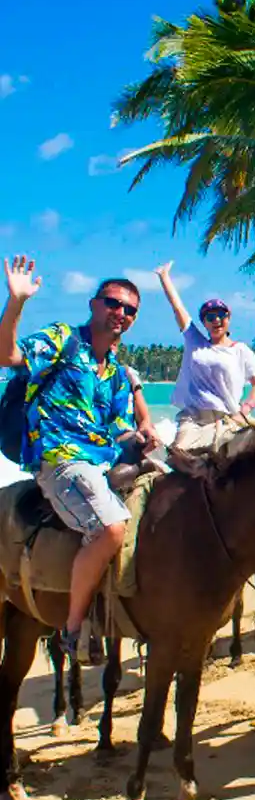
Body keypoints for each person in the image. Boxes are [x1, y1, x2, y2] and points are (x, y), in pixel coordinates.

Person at [0, 257, 158, 655]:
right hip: (61, 457)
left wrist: (141, 435)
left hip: (102, 457)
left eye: (129, 309)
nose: (120, 312)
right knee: (110, 529)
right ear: (93, 304)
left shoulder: (118, 373)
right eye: (112, 303)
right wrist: (15, 302)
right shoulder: (62, 340)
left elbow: (117, 426)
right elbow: (7, 357)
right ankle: (75, 630)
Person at [155, 262, 255, 451]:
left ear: (228, 318)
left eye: (221, 315)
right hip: (194, 419)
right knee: (178, 455)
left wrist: (246, 410)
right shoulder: (195, 341)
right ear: (204, 322)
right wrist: (164, 277)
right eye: (210, 317)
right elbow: (178, 308)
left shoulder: (241, 350)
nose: (216, 320)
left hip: (228, 419)